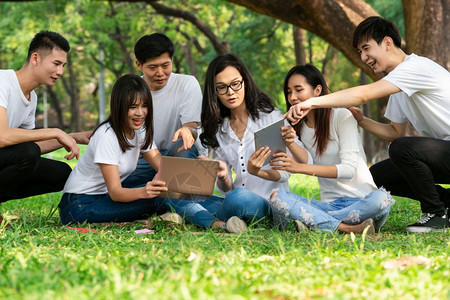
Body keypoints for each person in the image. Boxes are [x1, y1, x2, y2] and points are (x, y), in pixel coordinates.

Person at [284, 16, 450, 233]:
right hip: (443, 155)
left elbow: (362, 94)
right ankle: (446, 203)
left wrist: (313, 102)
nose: (363, 57)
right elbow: (394, 132)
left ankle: (436, 214)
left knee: (401, 149)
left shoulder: (415, 67)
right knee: (379, 175)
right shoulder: (398, 86)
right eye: (360, 52)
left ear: (388, 42)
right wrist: (362, 121)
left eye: (366, 48)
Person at [162, 53, 311, 232]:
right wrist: (223, 176)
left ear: (245, 82)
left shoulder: (271, 117)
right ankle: (223, 224)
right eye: (222, 87)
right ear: (215, 92)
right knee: (173, 197)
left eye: (235, 84)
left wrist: (257, 171)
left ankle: (210, 219)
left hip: (267, 202)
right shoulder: (219, 129)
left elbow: (290, 171)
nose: (230, 92)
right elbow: (227, 188)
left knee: (238, 198)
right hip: (233, 200)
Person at [269, 64, 394, 234]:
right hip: (329, 204)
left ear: (317, 90)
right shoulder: (298, 126)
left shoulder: (342, 115)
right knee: (277, 197)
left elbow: (348, 169)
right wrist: (291, 143)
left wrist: (298, 168)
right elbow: (307, 160)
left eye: (299, 90)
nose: (292, 97)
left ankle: (317, 220)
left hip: (363, 201)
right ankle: (346, 228)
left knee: (381, 199)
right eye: (289, 92)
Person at [0, 31, 89, 224]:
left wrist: (72, 137)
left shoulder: (32, 98)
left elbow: (29, 146)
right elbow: (2, 136)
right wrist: (56, 132)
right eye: (56, 64)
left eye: (63, 66)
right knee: (29, 152)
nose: (60, 72)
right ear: (35, 58)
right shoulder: (3, 82)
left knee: (61, 173)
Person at [59, 74, 172, 224]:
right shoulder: (107, 136)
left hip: (103, 197)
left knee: (166, 190)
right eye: (133, 107)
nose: (140, 113)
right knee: (160, 199)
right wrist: (145, 192)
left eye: (144, 106)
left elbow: (164, 167)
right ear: (119, 106)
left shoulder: (139, 130)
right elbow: (116, 193)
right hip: (79, 206)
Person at [123, 33, 205, 188]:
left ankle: (167, 191)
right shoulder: (131, 91)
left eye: (165, 65)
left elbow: (191, 127)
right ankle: (169, 192)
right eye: (153, 67)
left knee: (183, 145)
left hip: (178, 155)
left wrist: (187, 131)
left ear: (172, 61)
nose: (160, 73)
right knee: (113, 174)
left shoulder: (187, 84)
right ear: (139, 65)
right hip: (143, 160)